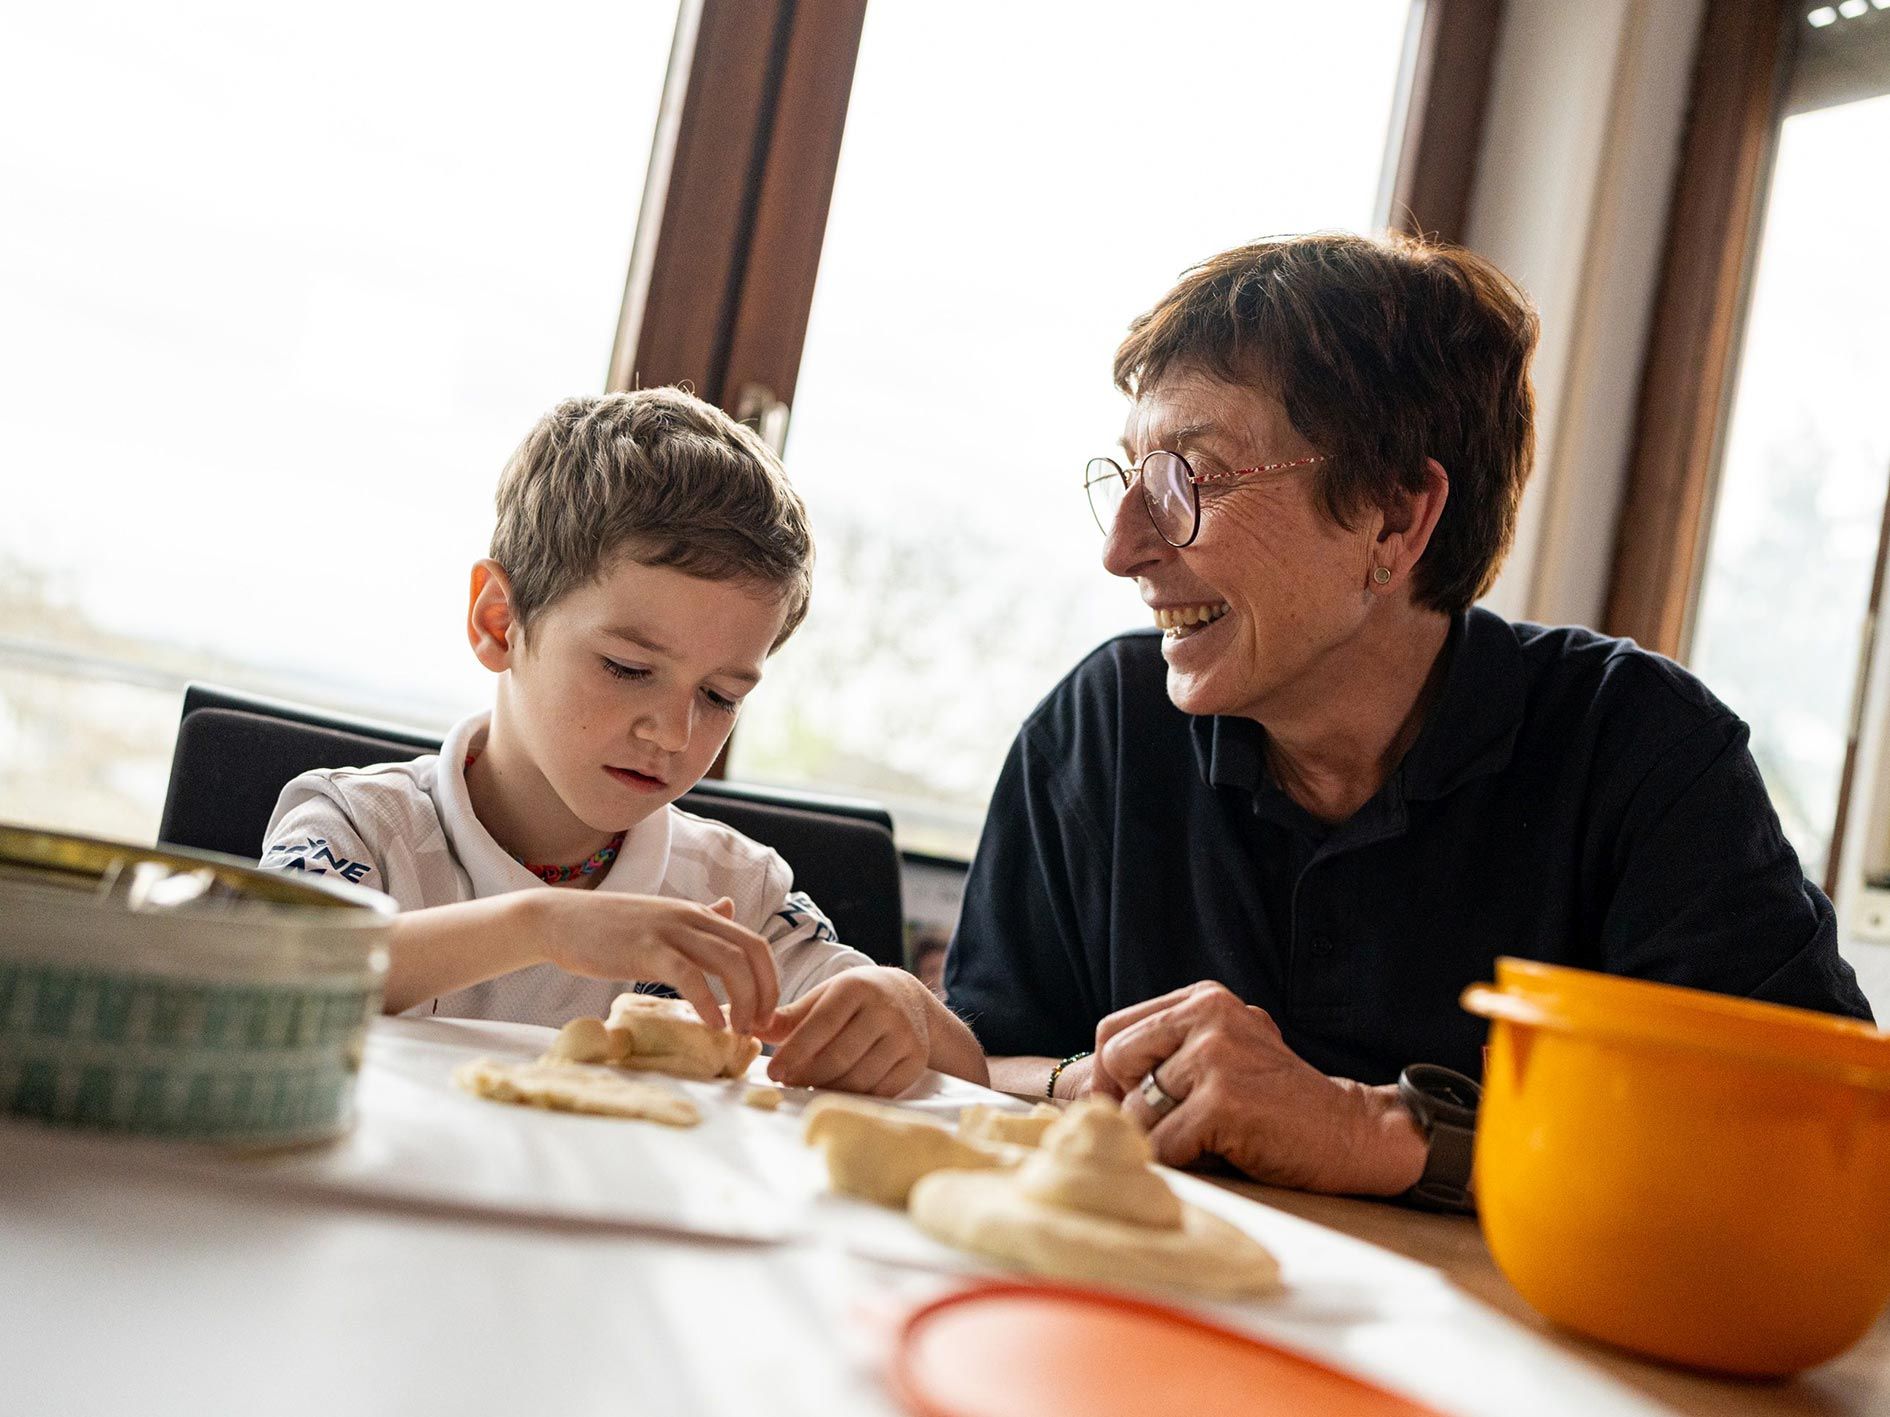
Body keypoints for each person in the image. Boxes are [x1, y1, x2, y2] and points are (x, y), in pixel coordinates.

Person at [945, 232, 1869, 1198]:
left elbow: (1827, 1141)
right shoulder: (1102, 730)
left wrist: (1378, 1129)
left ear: (1396, 518)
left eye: (1190, 478)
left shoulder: (1639, 747)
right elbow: (984, 1059)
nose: (1125, 547)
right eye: (1128, 477)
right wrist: (1072, 1079)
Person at [262, 388, 986, 1097]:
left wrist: (905, 1007)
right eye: (628, 668)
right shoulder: (355, 826)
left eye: (719, 696)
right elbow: (269, 977)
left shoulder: (738, 891)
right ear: (497, 622)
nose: (672, 732)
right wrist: (542, 925)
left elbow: (964, 1078)